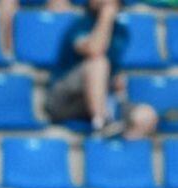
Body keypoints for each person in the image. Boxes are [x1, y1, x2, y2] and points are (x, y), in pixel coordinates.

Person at [44, 0, 157, 139]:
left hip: (101, 98)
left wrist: (116, 79)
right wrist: (106, 16)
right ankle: (102, 123)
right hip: (65, 100)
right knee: (98, 63)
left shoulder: (121, 31)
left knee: (146, 116)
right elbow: (95, 50)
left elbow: (113, 63)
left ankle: (114, 153)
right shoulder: (80, 24)